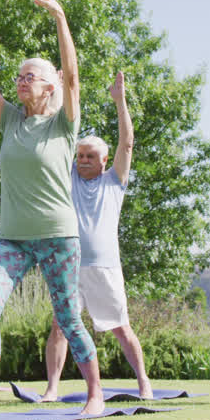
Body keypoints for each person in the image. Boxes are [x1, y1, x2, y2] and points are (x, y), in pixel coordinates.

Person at [0, 0, 105, 420]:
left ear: (50, 85)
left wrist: (60, 16)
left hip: (58, 238)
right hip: (13, 240)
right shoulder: (10, 120)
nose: (21, 81)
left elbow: (73, 76)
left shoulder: (64, 124)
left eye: (30, 76)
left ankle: (95, 394)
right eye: (18, 76)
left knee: (68, 318)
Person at [41, 71, 154, 401]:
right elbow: (58, 136)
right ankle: (51, 389)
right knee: (60, 326)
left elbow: (127, 143)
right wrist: (57, 92)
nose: (84, 160)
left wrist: (120, 101)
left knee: (120, 327)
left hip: (105, 267)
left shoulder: (114, 181)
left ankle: (144, 383)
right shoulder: (70, 178)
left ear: (104, 160)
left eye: (90, 156)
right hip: (69, 266)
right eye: (80, 156)